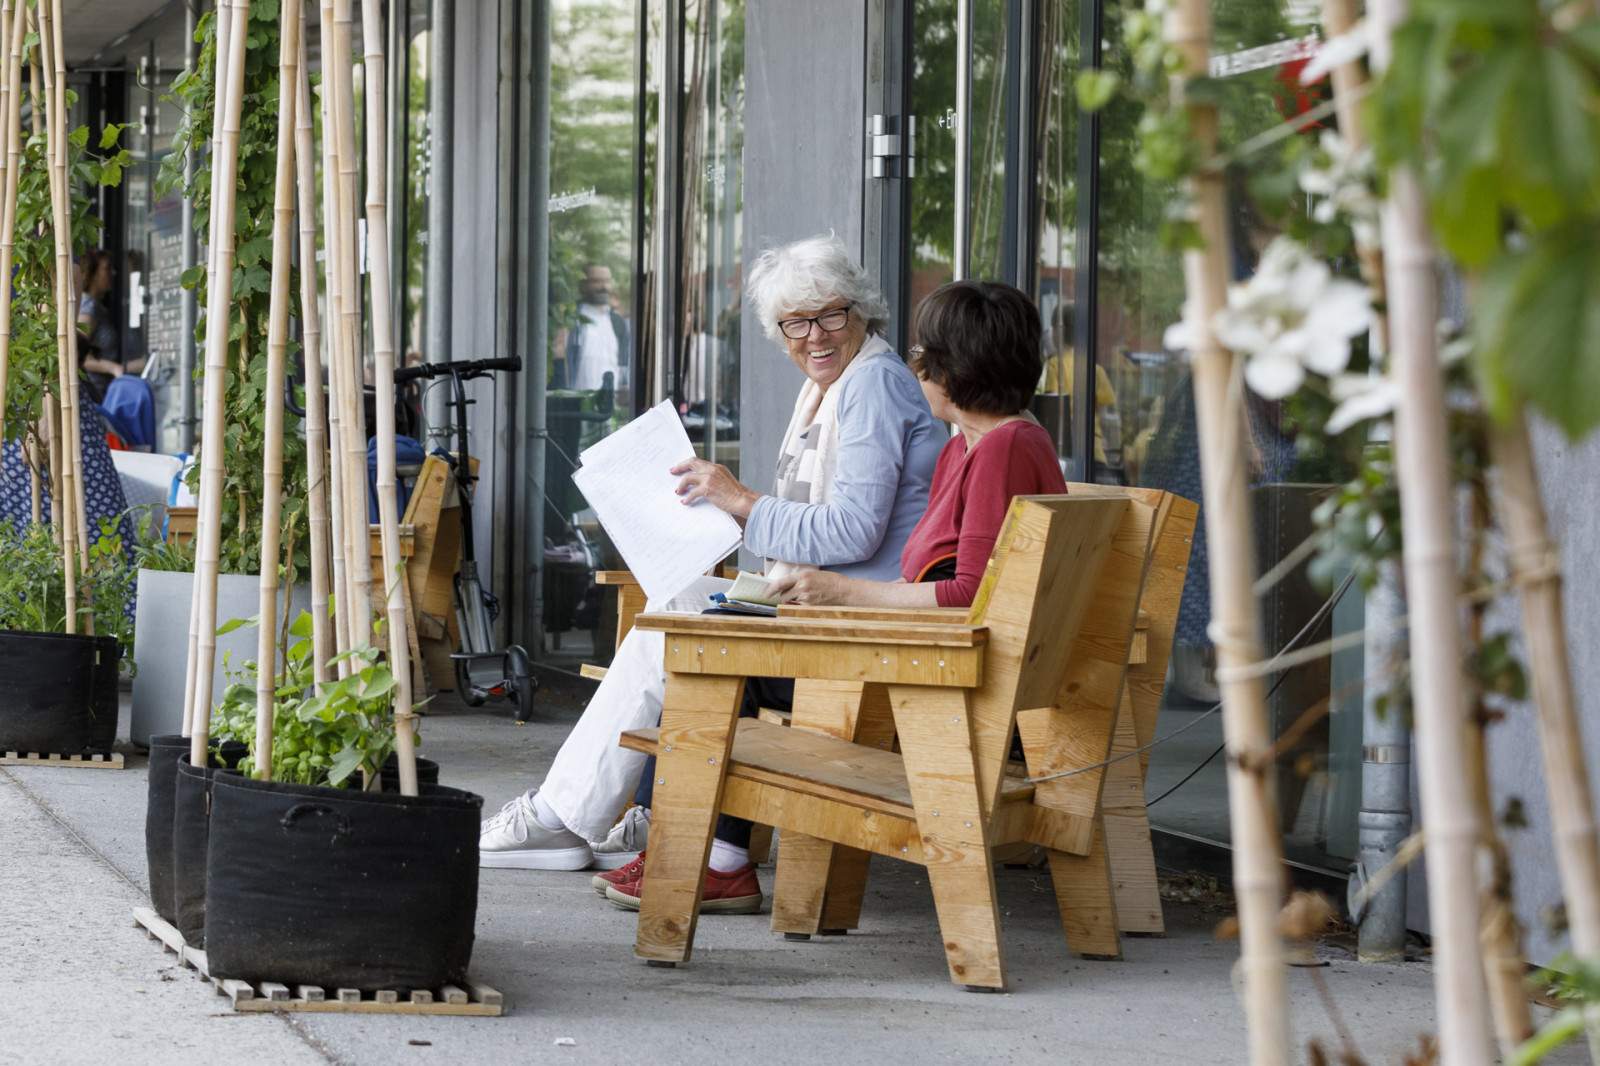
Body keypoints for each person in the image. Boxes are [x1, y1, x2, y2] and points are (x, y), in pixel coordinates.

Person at [479, 235, 944, 912]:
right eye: (795, 323)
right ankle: (606, 816)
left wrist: (740, 501)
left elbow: (852, 529)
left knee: (676, 628)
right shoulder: (835, 385)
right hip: (826, 608)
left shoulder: (870, 383)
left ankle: (568, 817)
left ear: (861, 311)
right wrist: (724, 511)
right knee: (672, 606)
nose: (813, 336)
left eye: (829, 316)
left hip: (853, 626)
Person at [592, 279, 1069, 912]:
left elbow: (968, 597)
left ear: (952, 366)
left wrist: (843, 591)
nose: (914, 361)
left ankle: (713, 856)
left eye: (924, 351)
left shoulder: (1001, 450)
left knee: (724, 656)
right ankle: (704, 848)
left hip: (945, 677)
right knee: (734, 632)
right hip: (941, 662)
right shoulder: (977, 446)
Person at [559, 263, 631, 392]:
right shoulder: (572, 318)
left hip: (611, 404)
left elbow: (623, 362)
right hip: (578, 401)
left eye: (607, 281)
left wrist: (624, 387)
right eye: (597, 281)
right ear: (583, 285)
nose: (604, 287)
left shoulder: (617, 321)